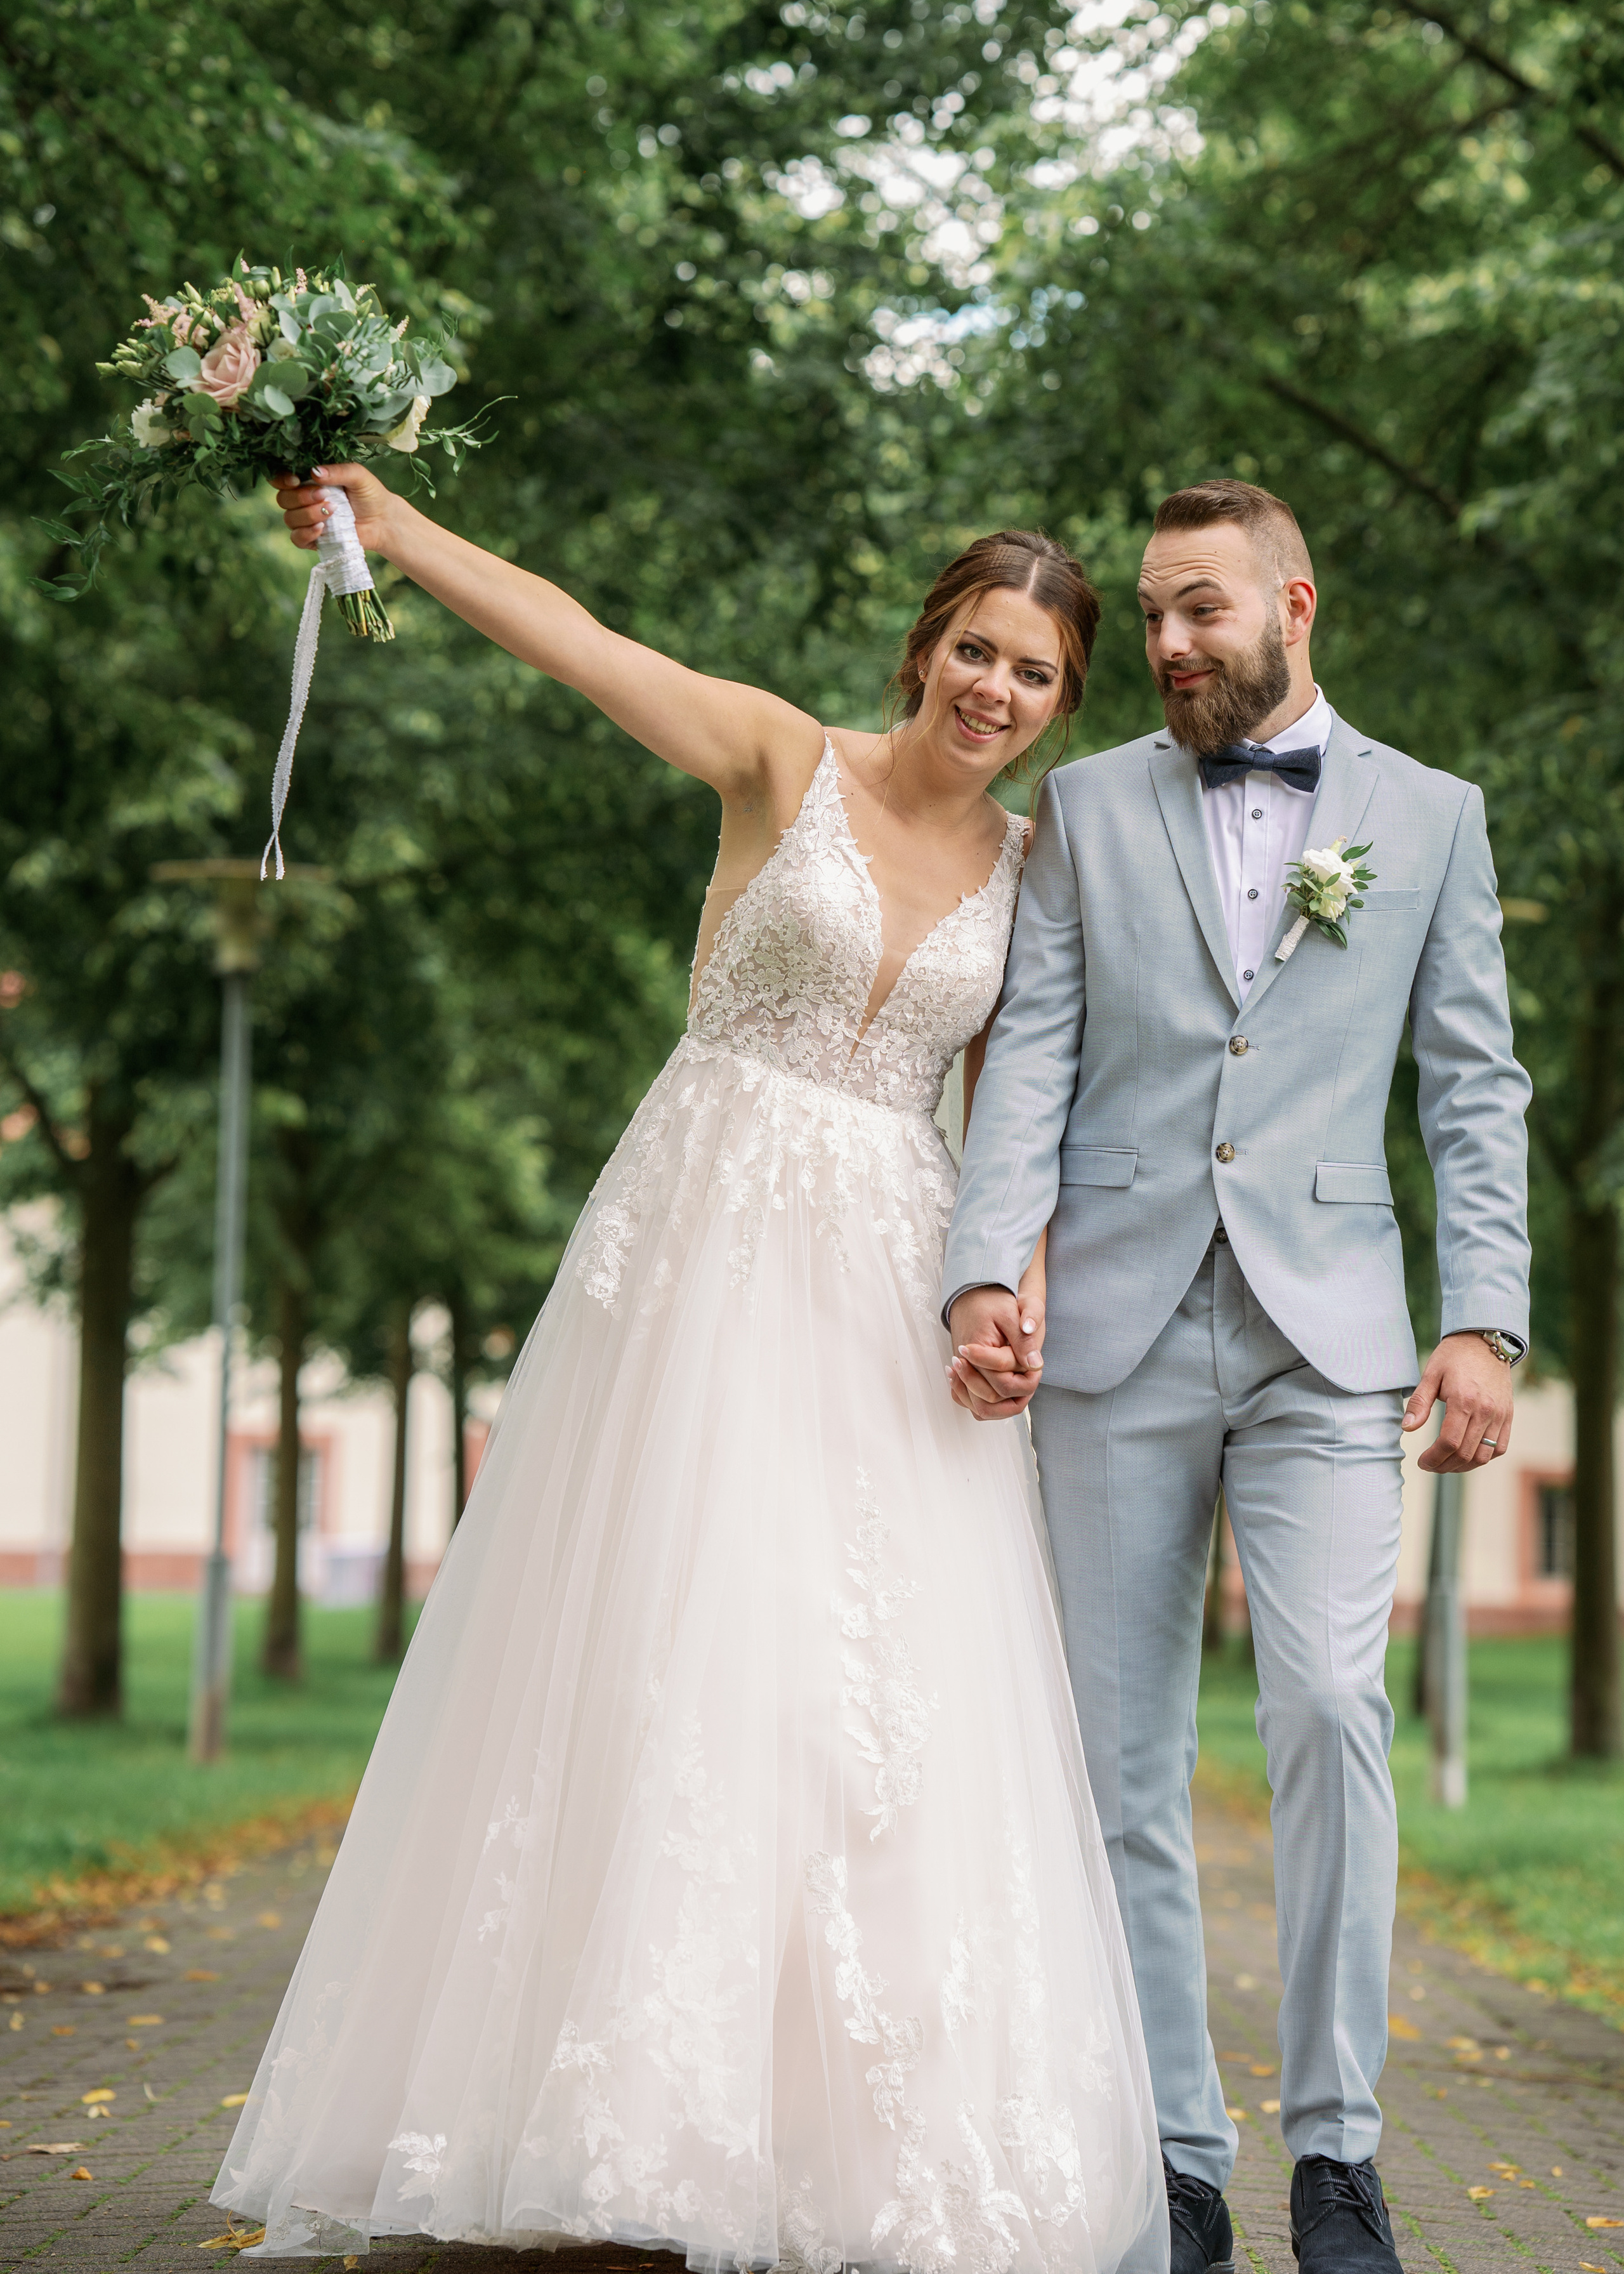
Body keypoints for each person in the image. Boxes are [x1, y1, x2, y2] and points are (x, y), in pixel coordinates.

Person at [213, 467, 1169, 2274]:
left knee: (856, 1690)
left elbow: (1023, 1118)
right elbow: (577, 640)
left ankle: (818, 2130)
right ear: (926, 644)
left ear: (1066, 702)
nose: (997, 693)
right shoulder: (776, 759)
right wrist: (394, 530)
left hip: (894, 1278)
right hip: (706, 1254)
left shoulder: (1038, 878)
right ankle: (601, 2115)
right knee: (678, 1642)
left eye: (1037, 676)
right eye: (979, 650)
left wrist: (1008, 1298)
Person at [943, 478, 1531, 2274]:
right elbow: (1029, 1057)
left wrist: (1485, 1314)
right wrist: (984, 1269)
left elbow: (1473, 1083)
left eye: (1204, 609)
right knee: (1121, 1764)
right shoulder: (1085, 807)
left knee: (1332, 1718)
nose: (1174, 644)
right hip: (1111, 1332)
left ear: (1297, 605)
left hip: (1333, 1340)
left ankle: (1336, 2158)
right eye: (1155, 611)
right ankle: (1175, 2165)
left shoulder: (1434, 819)